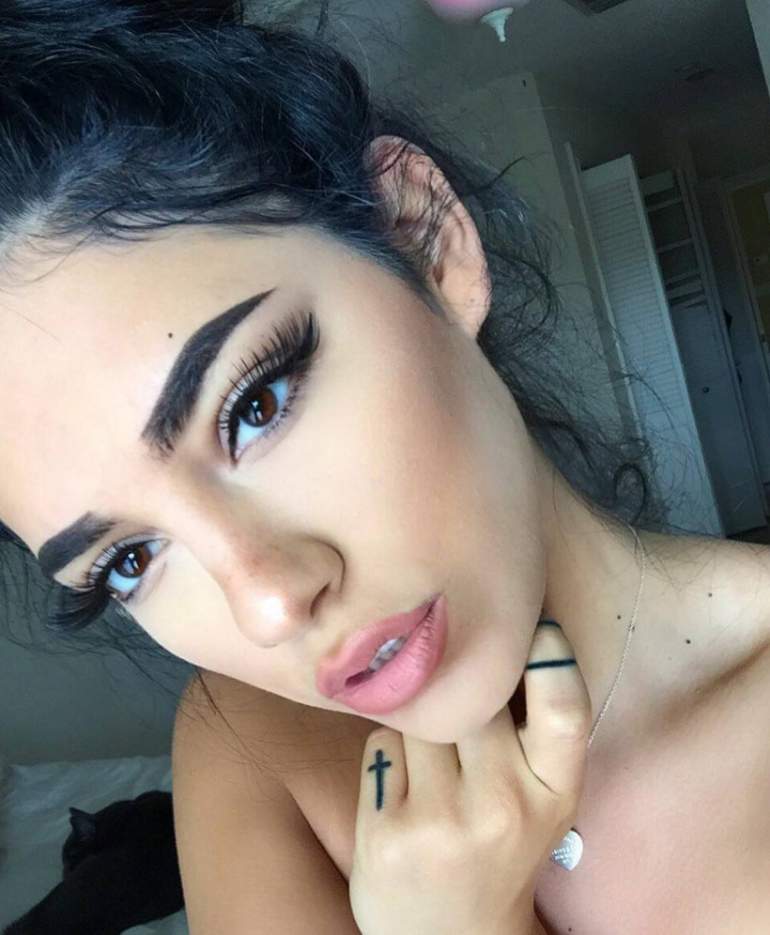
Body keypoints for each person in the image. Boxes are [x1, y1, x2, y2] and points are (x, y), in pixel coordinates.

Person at [0, 2, 768, 933]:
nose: (268, 605)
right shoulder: (253, 748)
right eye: (128, 561)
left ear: (425, 240)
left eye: (254, 407)